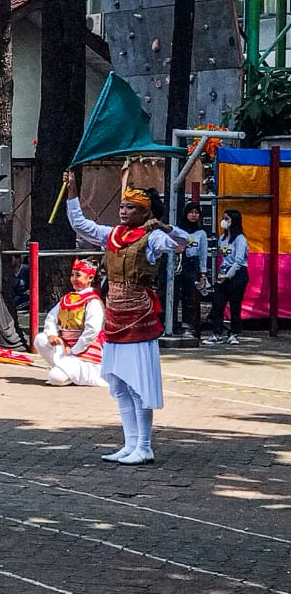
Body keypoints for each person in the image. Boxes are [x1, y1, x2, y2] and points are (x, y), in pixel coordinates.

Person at [64, 172, 191, 465]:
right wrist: (72, 192)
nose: (123, 211)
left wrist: (164, 226)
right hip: (115, 317)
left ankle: (144, 446)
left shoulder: (152, 237)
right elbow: (80, 224)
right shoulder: (112, 234)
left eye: (131, 207)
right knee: (120, 385)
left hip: (138, 316)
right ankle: (129, 443)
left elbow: (184, 241)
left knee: (137, 385)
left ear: (146, 213)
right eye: (122, 206)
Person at [33, 259, 106, 387]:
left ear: (90, 278)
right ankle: (65, 370)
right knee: (41, 339)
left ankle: (67, 372)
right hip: (66, 346)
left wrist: (74, 350)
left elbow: (92, 330)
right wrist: (52, 334)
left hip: (84, 350)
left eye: (78, 275)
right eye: (72, 275)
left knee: (55, 378)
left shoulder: (92, 301)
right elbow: (51, 317)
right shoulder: (67, 298)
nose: (74, 279)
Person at [204, 209, 250, 346]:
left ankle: (234, 333)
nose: (224, 221)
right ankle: (216, 333)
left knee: (235, 305)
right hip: (223, 273)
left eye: (227, 219)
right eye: (223, 218)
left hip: (237, 275)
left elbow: (239, 261)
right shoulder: (223, 238)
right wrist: (221, 275)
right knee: (218, 304)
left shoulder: (240, 239)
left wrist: (228, 276)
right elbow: (223, 258)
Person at [175, 201, 209, 337]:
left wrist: (203, 273)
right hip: (178, 263)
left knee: (189, 295)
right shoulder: (178, 230)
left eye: (196, 213)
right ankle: (172, 324)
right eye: (191, 212)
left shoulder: (201, 233)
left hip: (192, 264)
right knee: (174, 295)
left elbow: (203, 254)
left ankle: (187, 325)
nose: (194, 215)